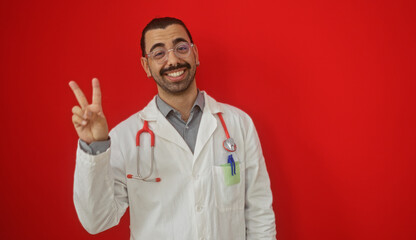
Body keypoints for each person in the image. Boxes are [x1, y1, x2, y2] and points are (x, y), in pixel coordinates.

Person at [69, 17, 276, 240]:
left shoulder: (238, 124)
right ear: (146, 66)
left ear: (195, 54)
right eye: (159, 53)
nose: (173, 59)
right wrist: (95, 146)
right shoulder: (125, 136)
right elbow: (96, 220)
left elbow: (259, 211)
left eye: (181, 47)